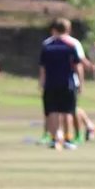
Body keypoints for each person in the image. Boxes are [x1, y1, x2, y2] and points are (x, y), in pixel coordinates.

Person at [39, 18, 84, 150]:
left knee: (52, 111)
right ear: (68, 29)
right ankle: (68, 139)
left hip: (50, 83)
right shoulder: (70, 46)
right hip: (67, 83)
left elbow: (42, 67)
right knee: (67, 112)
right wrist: (81, 83)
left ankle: (54, 139)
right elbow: (78, 66)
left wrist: (41, 82)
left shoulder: (47, 46)